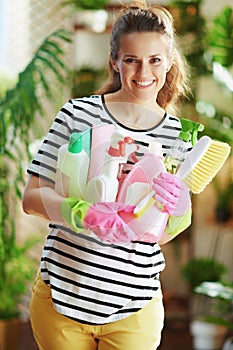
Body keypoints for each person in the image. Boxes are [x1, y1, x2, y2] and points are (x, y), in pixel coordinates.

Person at [22, 2, 192, 349]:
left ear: (169, 61)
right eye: (132, 59)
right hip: (62, 298)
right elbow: (32, 196)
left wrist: (178, 212)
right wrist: (79, 212)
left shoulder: (178, 136)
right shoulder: (78, 114)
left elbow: (159, 235)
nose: (143, 71)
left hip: (134, 307)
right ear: (114, 60)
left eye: (155, 60)